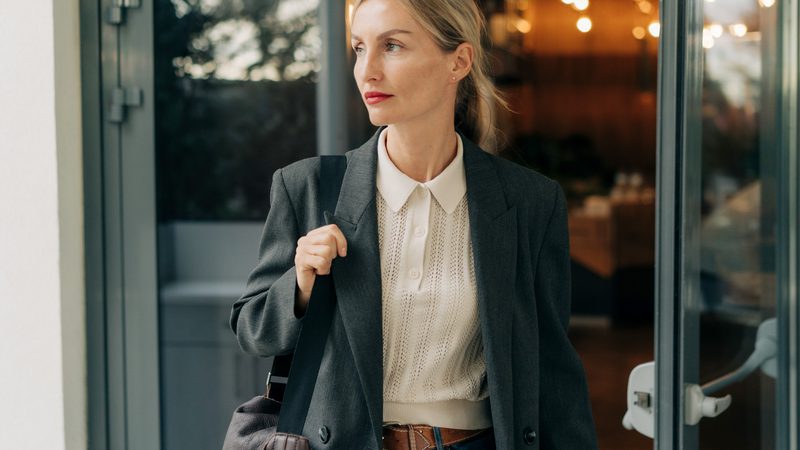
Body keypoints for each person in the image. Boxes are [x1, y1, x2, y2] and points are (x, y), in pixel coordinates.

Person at [230, 0, 598, 448]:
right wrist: (301, 284)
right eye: (360, 48)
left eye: (392, 46)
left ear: (458, 62)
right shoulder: (306, 186)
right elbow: (253, 330)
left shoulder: (529, 202)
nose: (367, 71)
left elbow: (554, 373)